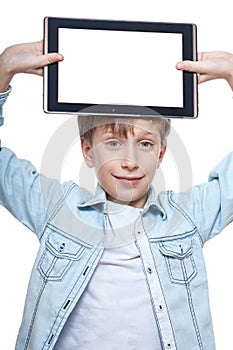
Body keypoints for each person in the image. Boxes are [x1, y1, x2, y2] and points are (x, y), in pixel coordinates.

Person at [0, 40, 233, 350]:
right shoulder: (59, 207)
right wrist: (3, 71)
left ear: (162, 154)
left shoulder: (186, 215)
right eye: (113, 143)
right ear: (88, 151)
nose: (130, 160)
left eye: (145, 144)